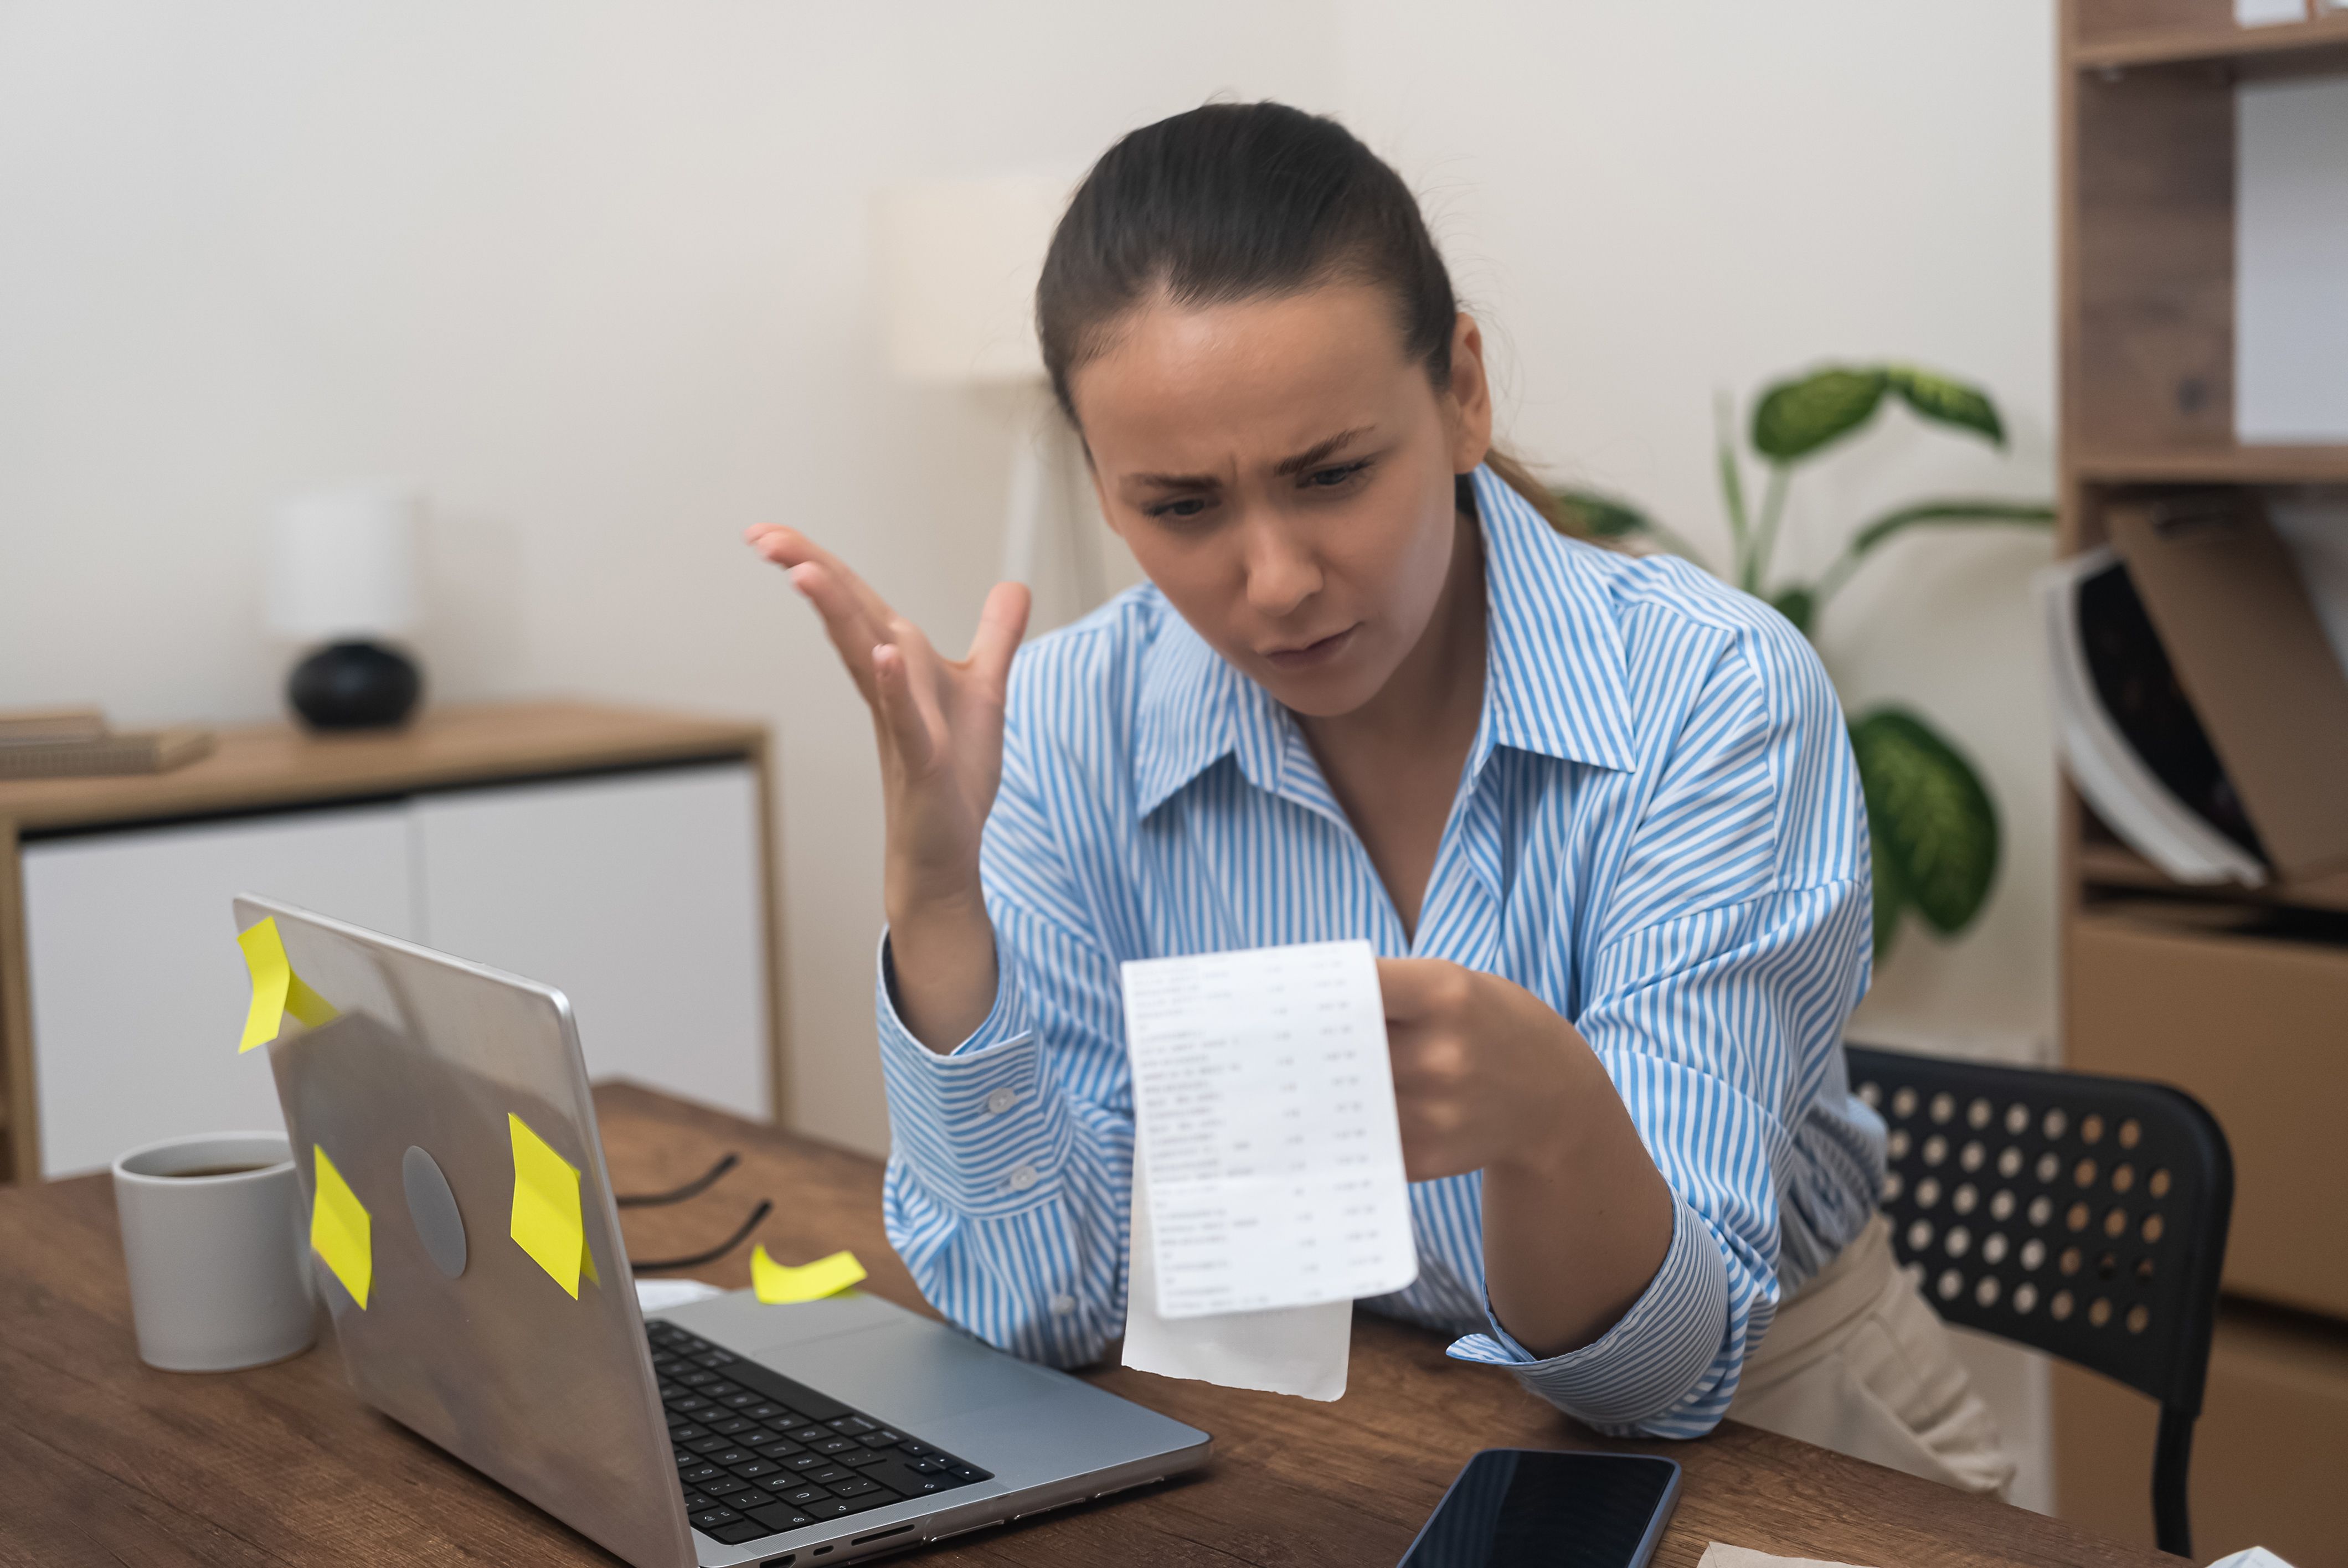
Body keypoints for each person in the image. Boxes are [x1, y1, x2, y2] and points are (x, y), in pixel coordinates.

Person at [749, 101, 2012, 1494]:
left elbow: (1658, 1379)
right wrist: (936, 902)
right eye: (1181, 505)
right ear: (1101, 488)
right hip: (1364, 1438)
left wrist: (1554, 1123)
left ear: (1461, 390)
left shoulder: (1706, 693)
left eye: (1333, 475)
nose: (1277, 578)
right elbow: (1041, 1305)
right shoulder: (1063, 726)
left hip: (1789, 1444)